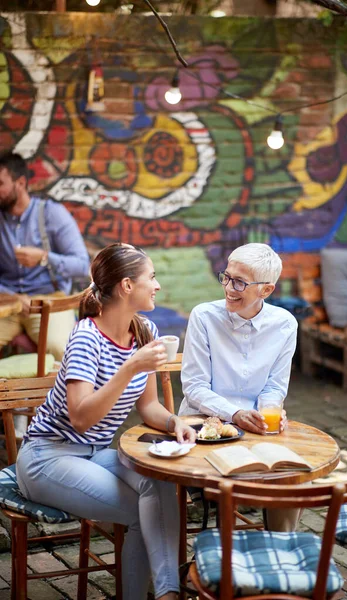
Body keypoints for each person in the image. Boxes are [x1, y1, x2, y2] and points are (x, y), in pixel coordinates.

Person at [16, 243, 197, 600]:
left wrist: (175, 421)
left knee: (159, 486)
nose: (157, 285)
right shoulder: (87, 337)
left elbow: (148, 407)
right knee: (145, 514)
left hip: (94, 452)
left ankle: (166, 593)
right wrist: (130, 366)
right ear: (127, 286)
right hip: (47, 457)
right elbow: (81, 417)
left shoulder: (144, 330)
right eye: (152, 277)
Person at [179, 242, 299, 531]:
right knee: (226, 489)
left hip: (256, 432)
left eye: (240, 282)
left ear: (266, 290)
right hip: (204, 430)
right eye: (227, 277)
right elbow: (194, 387)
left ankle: (278, 556)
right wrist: (235, 414)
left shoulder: (285, 324)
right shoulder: (204, 317)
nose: (229, 288)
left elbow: (274, 387)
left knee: (290, 480)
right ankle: (223, 565)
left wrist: (269, 410)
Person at [0, 151, 90, 360]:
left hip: (49, 301)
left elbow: (81, 265)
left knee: (62, 349)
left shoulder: (52, 213)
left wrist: (44, 257)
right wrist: (11, 297)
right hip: (6, 303)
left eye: (1, 184)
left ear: (20, 183)